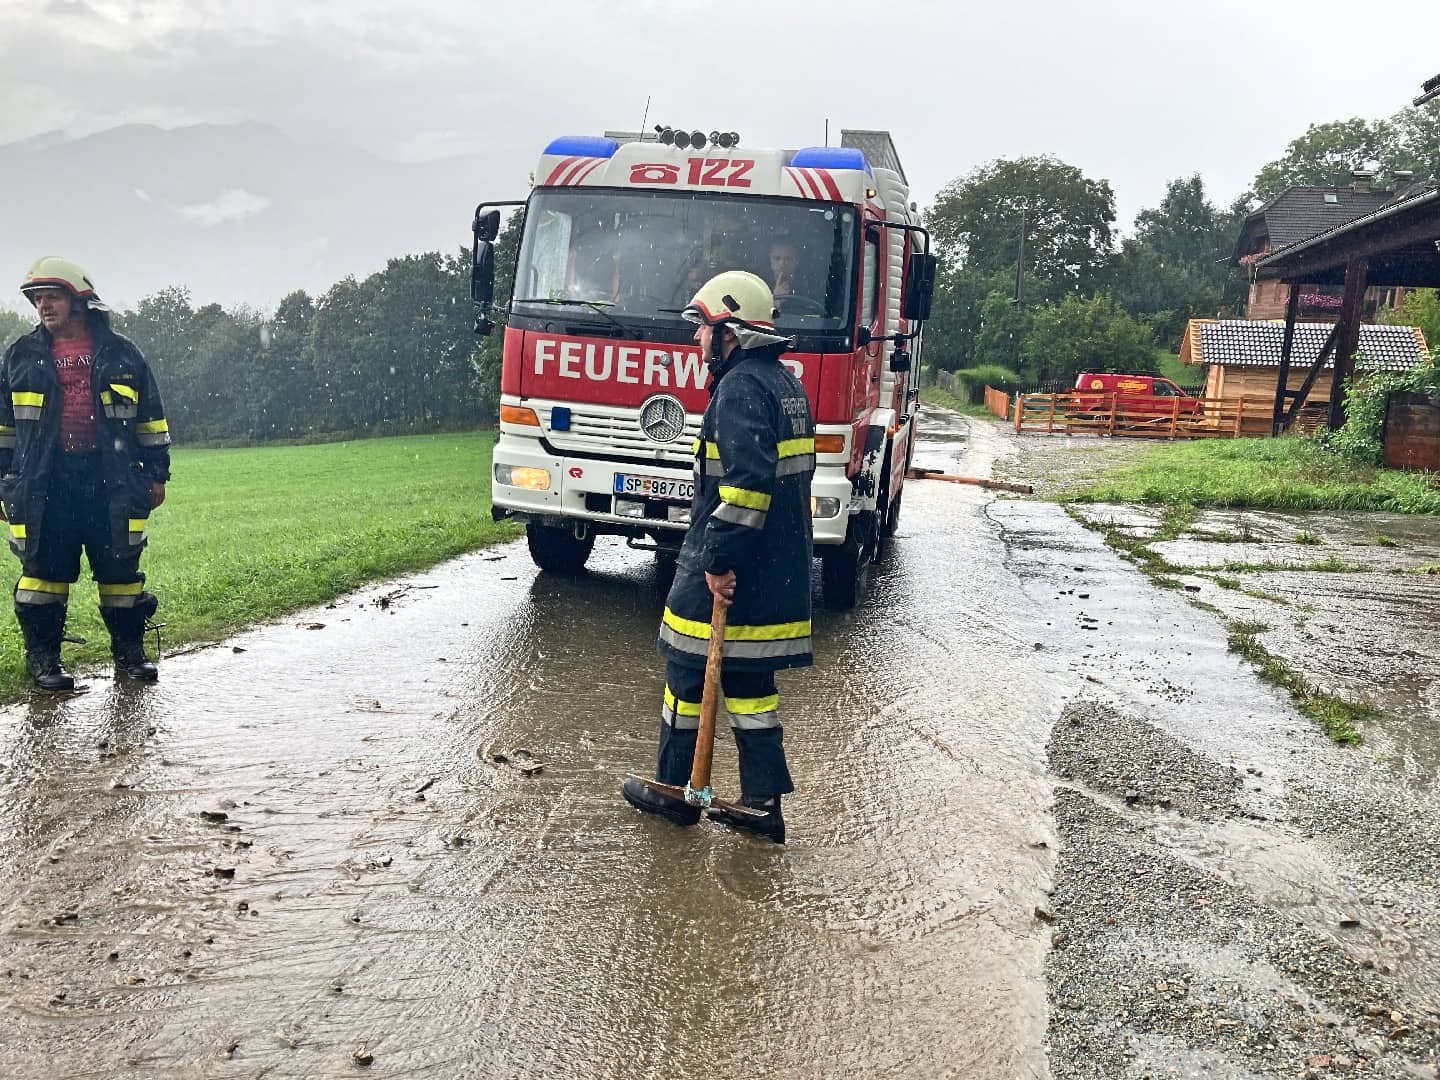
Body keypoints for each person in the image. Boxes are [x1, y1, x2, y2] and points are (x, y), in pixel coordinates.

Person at [622, 271, 814, 843]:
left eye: (702, 328)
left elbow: (747, 487)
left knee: (683, 665)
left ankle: (676, 792)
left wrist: (717, 559)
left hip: (732, 566)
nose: (695, 341)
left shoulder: (740, 390)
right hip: (775, 567)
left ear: (728, 332)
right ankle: (761, 804)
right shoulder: (784, 384)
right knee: (752, 687)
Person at [0, 257, 171, 691]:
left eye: (52, 297)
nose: (43, 306)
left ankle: (129, 657)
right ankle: (44, 663)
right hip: (45, 483)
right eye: (37, 299)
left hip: (110, 481)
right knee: (43, 575)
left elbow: (150, 418)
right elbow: (3, 428)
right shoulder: (20, 357)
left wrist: (157, 473)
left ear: (80, 300)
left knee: (120, 573)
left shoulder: (122, 354)